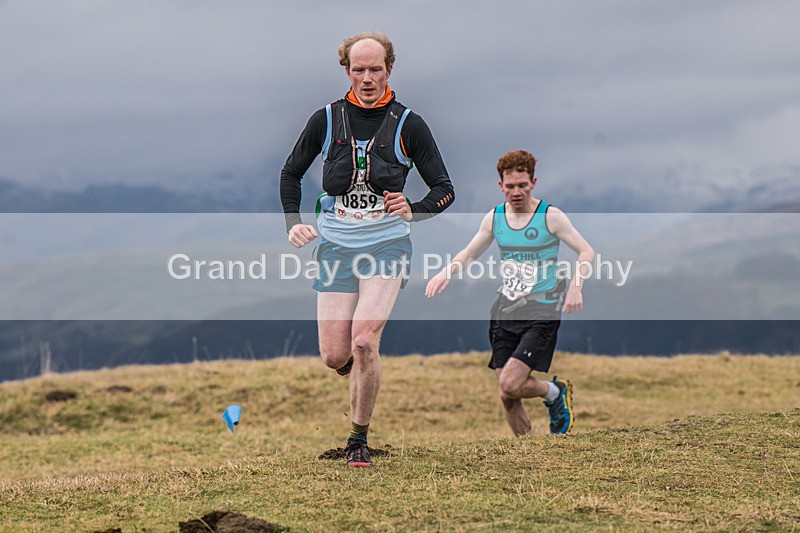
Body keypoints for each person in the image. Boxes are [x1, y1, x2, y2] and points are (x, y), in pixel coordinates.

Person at [280, 32, 454, 466]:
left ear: (389, 69)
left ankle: (357, 439)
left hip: (387, 246)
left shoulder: (409, 124)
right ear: (347, 71)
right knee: (335, 355)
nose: (368, 77)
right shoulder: (325, 119)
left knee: (363, 342)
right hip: (336, 245)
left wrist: (413, 209)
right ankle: (355, 369)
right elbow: (290, 174)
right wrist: (293, 223)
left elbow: (445, 189)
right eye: (359, 69)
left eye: (376, 69)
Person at [425, 150, 593, 436]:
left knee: (511, 384)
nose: (516, 192)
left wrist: (576, 286)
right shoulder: (495, 217)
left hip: (542, 310)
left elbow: (586, 251)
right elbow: (470, 252)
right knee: (507, 395)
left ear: (533, 183)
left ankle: (554, 392)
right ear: (500, 186)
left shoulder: (550, 217)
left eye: (523, 185)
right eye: (510, 186)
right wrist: (446, 272)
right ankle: (527, 454)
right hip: (505, 310)